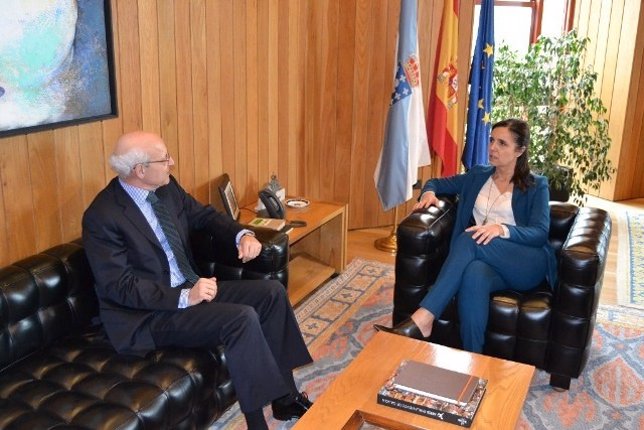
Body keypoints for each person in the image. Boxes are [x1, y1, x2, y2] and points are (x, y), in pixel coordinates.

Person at [82, 131, 313, 430]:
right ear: (140, 170)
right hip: (148, 315)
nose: (172, 162)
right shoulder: (103, 216)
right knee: (240, 318)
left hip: (189, 289)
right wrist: (184, 298)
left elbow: (203, 216)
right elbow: (120, 286)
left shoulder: (165, 188)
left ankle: (285, 398)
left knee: (271, 293)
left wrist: (243, 235)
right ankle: (257, 424)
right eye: (165, 158)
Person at [375, 119, 557, 353]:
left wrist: (501, 229)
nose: (493, 147)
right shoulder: (478, 176)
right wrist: (429, 193)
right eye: (492, 140)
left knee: (470, 237)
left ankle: (423, 318)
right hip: (488, 262)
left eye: (502, 143)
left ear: (520, 150)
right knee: (474, 276)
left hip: (525, 262)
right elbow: (435, 182)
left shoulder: (536, 185)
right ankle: (473, 358)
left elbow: (540, 233)